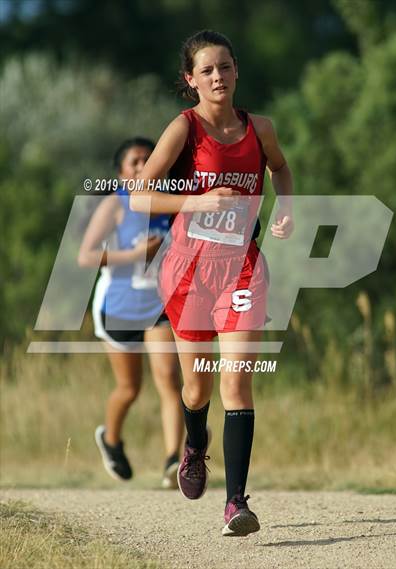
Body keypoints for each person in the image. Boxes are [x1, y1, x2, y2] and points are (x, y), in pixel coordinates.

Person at [130, 30, 294, 536]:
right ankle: (195, 445)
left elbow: (281, 169)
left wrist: (285, 205)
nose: (218, 77)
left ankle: (236, 504)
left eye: (225, 67)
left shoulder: (260, 129)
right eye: (207, 70)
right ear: (191, 80)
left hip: (242, 268)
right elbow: (139, 197)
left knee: (236, 384)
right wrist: (196, 201)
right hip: (190, 271)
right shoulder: (183, 129)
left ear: (237, 70)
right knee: (197, 387)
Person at [78, 137, 184, 489]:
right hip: (119, 306)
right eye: (135, 162)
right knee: (129, 388)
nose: (143, 167)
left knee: (169, 380)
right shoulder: (115, 204)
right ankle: (111, 439)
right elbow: (87, 256)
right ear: (122, 172)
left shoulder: (171, 203)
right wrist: (135, 254)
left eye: (149, 160)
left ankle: (174, 461)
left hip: (159, 305)